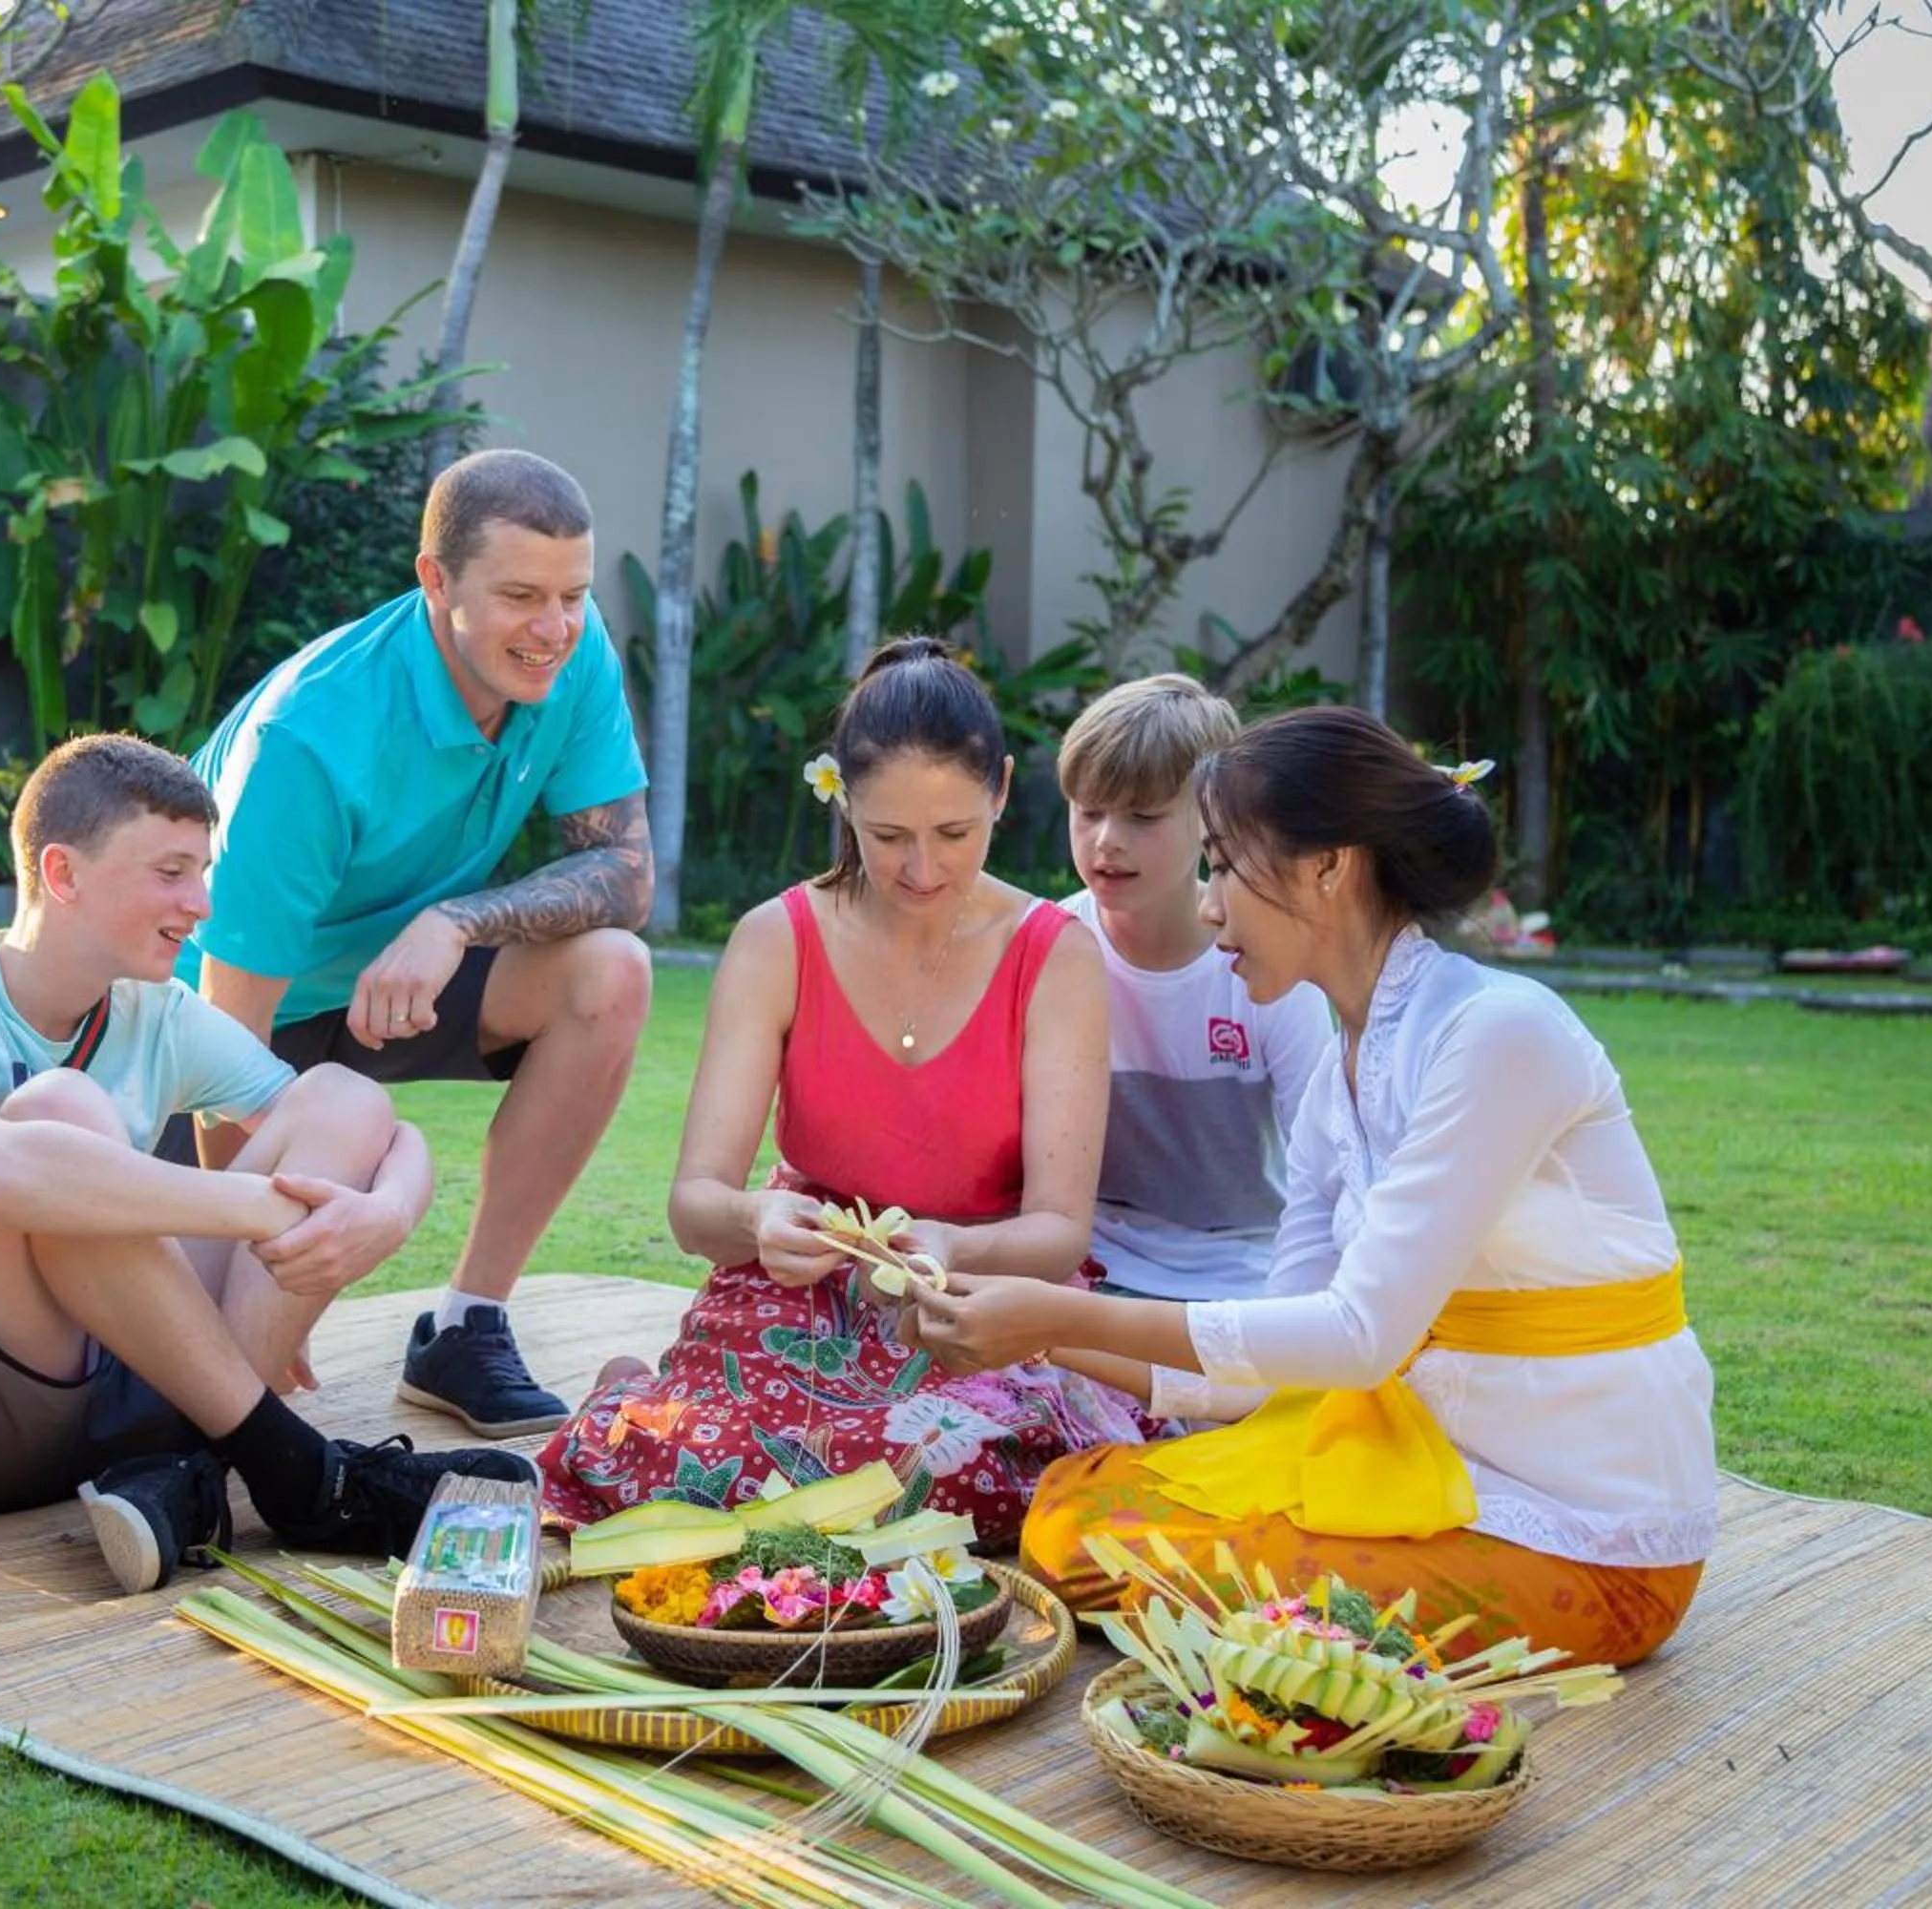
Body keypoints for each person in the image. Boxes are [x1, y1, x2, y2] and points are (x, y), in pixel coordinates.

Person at [908, 707, 1718, 1665]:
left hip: (1590, 1534)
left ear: (1327, 867)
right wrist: (1043, 1332)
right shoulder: (1350, 1053)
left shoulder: (1496, 1032)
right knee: (1072, 1519)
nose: (1208, 906)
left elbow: (1355, 1336)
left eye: (1222, 863)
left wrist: (1059, 1317)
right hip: (1431, 1466)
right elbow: (1277, 1349)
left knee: (1142, 1556)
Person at [0, 734, 532, 1595]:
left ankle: (187, 1477)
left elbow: (375, 1131)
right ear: (64, 875)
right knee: (58, 1117)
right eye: (172, 872)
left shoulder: (155, 1010)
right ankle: (294, 1469)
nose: (202, 904)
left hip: (106, 1379)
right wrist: (256, 1208)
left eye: (203, 872)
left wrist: (390, 1212)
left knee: (345, 1097)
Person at [537, 639, 1166, 1547]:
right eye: (887, 837)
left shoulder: (1053, 956)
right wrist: (757, 1222)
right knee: (714, 1469)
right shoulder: (777, 940)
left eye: (954, 833)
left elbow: (1060, 1232)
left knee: (983, 1484)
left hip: (977, 1291)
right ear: (841, 799)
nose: (920, 870)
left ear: (1000, 792)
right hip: (803, 1287)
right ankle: (638, 1397)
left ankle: (656, 1399)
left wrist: (948, 1245)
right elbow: (695, 1205)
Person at [177, 448, 654, 1439]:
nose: (556, 627)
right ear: (435, 580)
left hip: (388, 986)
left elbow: (625, 875)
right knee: (163, 1346)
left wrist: (454, 921)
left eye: (572, 593)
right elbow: (222, 1050)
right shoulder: (308, 740)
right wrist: (264, 1276)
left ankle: (466, 1326)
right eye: (522, 595)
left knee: (612, 972)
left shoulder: (570, 650)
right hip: (198, 1033)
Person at [1041, 676, 1333, 1416]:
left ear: (1213, 822)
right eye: (1089, 812)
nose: (1107, 840)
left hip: (1240, 1277)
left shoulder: (1266, 965)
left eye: (1142, 816)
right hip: (1087, 1270)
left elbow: (1326, 1171)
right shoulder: (1047, 946)